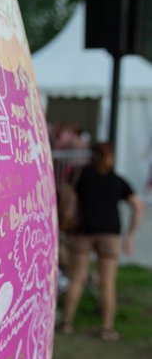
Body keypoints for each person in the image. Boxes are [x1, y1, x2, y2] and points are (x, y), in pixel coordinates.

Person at [60, 142, 144, 340]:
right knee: (107, 283)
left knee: (77, 279)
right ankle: (107, 328)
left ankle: (66, 323)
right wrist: (130, 235)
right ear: (110, 158)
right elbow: (138, 205)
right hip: (110, 234)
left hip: (81, 233)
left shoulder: (79, 175)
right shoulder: (117, 180)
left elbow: (65, 196)